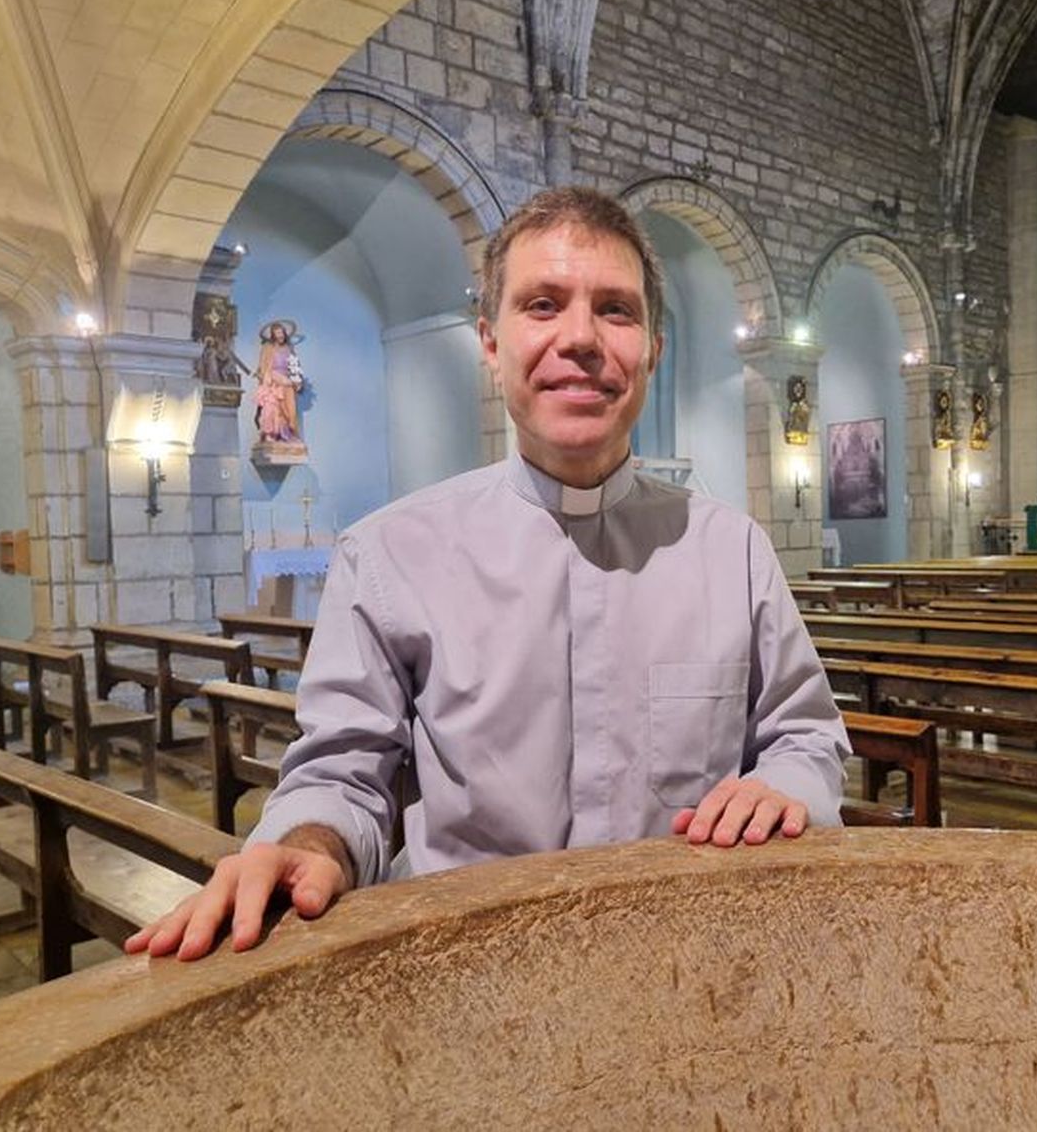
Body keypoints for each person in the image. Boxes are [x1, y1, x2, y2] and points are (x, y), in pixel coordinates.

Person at [128, 187, 849, 962]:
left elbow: (803, 737)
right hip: (466, 971)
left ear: (652, 347)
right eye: (543, 305)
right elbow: (342, 777)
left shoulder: (731, 551)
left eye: (616, 310)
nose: (581, 338)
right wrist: (313, 843)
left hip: (682, 959)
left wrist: (786, 791)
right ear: (491, 342)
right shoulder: (391, 556)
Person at [254, 319, 304, 443]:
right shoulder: (268, 348)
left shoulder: (289, 348)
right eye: (277, 333)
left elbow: (295, 367)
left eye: (281, 332)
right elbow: (263, 366)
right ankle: (273, 433)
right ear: (273, 335)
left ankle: (287, 433)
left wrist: (297, 380)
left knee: (289, 410)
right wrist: (265, 378)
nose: (280, 335)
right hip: (273, 382)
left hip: (287, 383)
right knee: (274, 409)